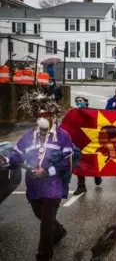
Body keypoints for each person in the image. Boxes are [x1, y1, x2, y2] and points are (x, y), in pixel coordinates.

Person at [0, 91, 73, 260]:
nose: (41, 118)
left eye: (45, 115)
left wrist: (47, 171)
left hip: (53, 186)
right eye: (39, 115)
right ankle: (59, 231)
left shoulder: (62, 136)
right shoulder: (27, 137)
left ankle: (43, 256)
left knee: (46, 224)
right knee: (40, 215)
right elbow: (17, 157)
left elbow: (67, 161)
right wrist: (5, 160)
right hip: (33, 186)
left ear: (52, 116)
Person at [72, 95, 102, 195]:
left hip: (90, 141)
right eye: (77, 101)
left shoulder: (91, 112)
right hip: (78, 141)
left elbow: (96, 123)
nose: (78, 102)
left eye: (80, 100)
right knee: (79, 163)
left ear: (85, 102)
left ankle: (96, 174)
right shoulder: (74, 112)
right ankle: (81, 186)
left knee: (92, 161)